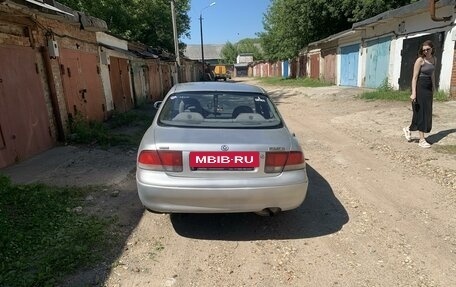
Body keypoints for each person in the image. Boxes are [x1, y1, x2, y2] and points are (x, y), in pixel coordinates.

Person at [403, 40, 436, 148]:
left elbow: (432, 75)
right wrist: (414, 93)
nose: (426, 51)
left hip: (428, 88)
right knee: (421, 112)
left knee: (426, 112)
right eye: (424, 50)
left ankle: (408, 129)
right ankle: (422, 140)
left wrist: (434, 87)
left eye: (428, 49)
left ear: (432, 49)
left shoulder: (434, 59)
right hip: (420, 87)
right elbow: (414, 78)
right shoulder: (420, 60)